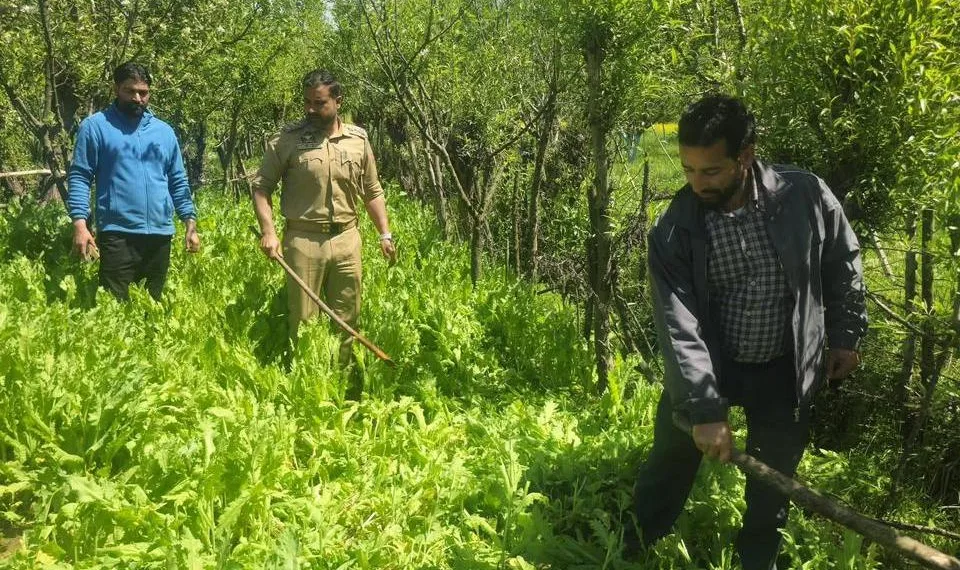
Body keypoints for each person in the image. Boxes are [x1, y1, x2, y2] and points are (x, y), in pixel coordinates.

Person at [631, 94, 867, 569]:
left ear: (746, 155)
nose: (697, 183)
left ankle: (757, 560)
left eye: (711, 171)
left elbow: (842, 261)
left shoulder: (803, 196)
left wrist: (844, 334)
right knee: (669, 463)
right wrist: (703, 408)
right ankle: (631, 546)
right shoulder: (675, 230)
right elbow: (680, 327)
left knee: (771, 484)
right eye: (688, 170)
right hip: (712, 365)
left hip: (786, 368)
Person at [250, 69, 396, 371]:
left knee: (347, 318)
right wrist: (269, 232)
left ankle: (341, 382)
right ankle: (308, 382)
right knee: (304, 320)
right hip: (303, 241)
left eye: (319, 104)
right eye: (307, 103)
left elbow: (372, 191)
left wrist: (385, 234)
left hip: (347, 240)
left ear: (338, 101)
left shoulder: (358, 140)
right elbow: (261, 187)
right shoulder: (286, 141)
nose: (310, 110)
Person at [67, 62, 200, 300]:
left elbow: (177, 181)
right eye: (130, 91)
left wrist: (189, 223)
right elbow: (80, 176)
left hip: (160, 234)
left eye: (143, 92)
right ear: (116, 89)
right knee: (114, 309)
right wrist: (79, 224)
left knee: (152, 306)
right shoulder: (96, 127)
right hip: (118, 233)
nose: (138, 98)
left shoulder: (164, 132)